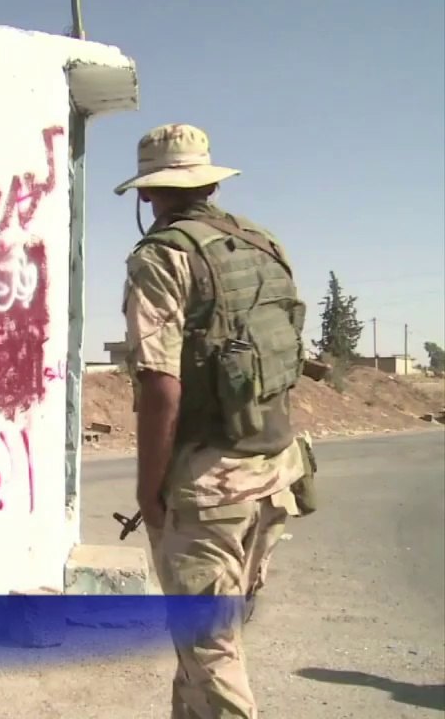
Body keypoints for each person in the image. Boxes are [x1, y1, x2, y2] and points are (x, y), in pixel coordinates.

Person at [115, 124, 317, 718]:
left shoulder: (162, 256)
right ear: (208, 182)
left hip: (209, 487)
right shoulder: (263, 244)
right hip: (275, 470)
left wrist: (149, 488)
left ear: (149, 193)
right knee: (205, 643)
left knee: (209, 647)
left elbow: (160, 383)